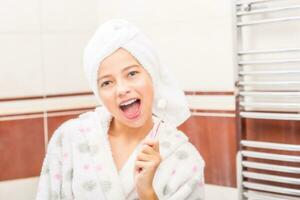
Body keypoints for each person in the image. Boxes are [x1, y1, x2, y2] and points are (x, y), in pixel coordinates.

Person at [36, 19, 205, 200]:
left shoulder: (184, 159)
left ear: (152, 74)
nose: (122, 89)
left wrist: (147, 193)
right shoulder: (70, 138)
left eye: (132, 74)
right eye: (107, 82)